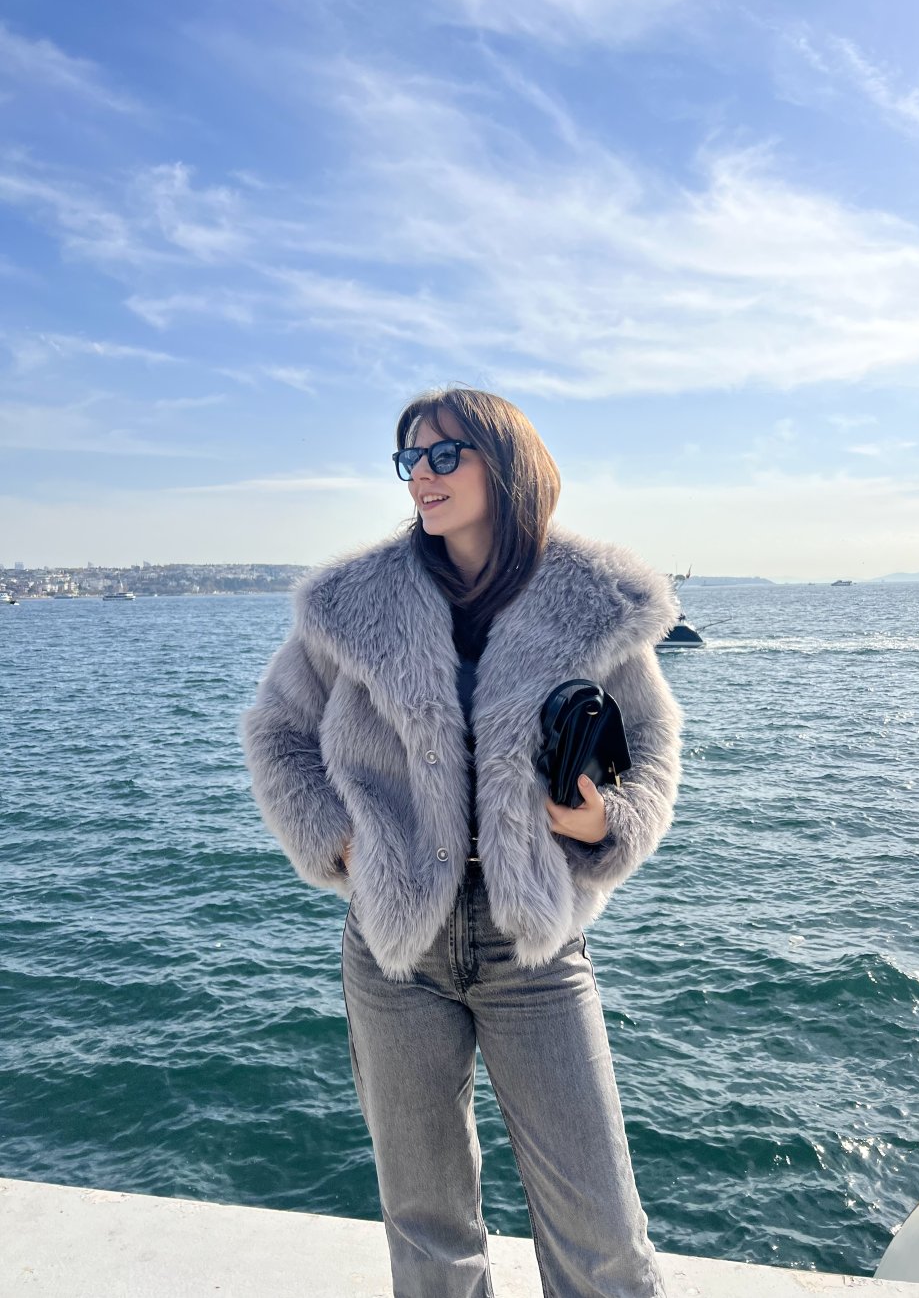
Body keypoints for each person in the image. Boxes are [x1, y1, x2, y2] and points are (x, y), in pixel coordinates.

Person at [240, 387, 684, 1298]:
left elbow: (652, 744)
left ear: (506, 464)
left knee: (601, 1230)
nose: (423, 476)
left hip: (536, 941)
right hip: (395, 943)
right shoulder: (353, 603)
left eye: (446, 454)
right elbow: (277, 734)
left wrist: (606, 822)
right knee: (429, 1227)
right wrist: (343, 844)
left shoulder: (592, 598)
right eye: (410, 459)